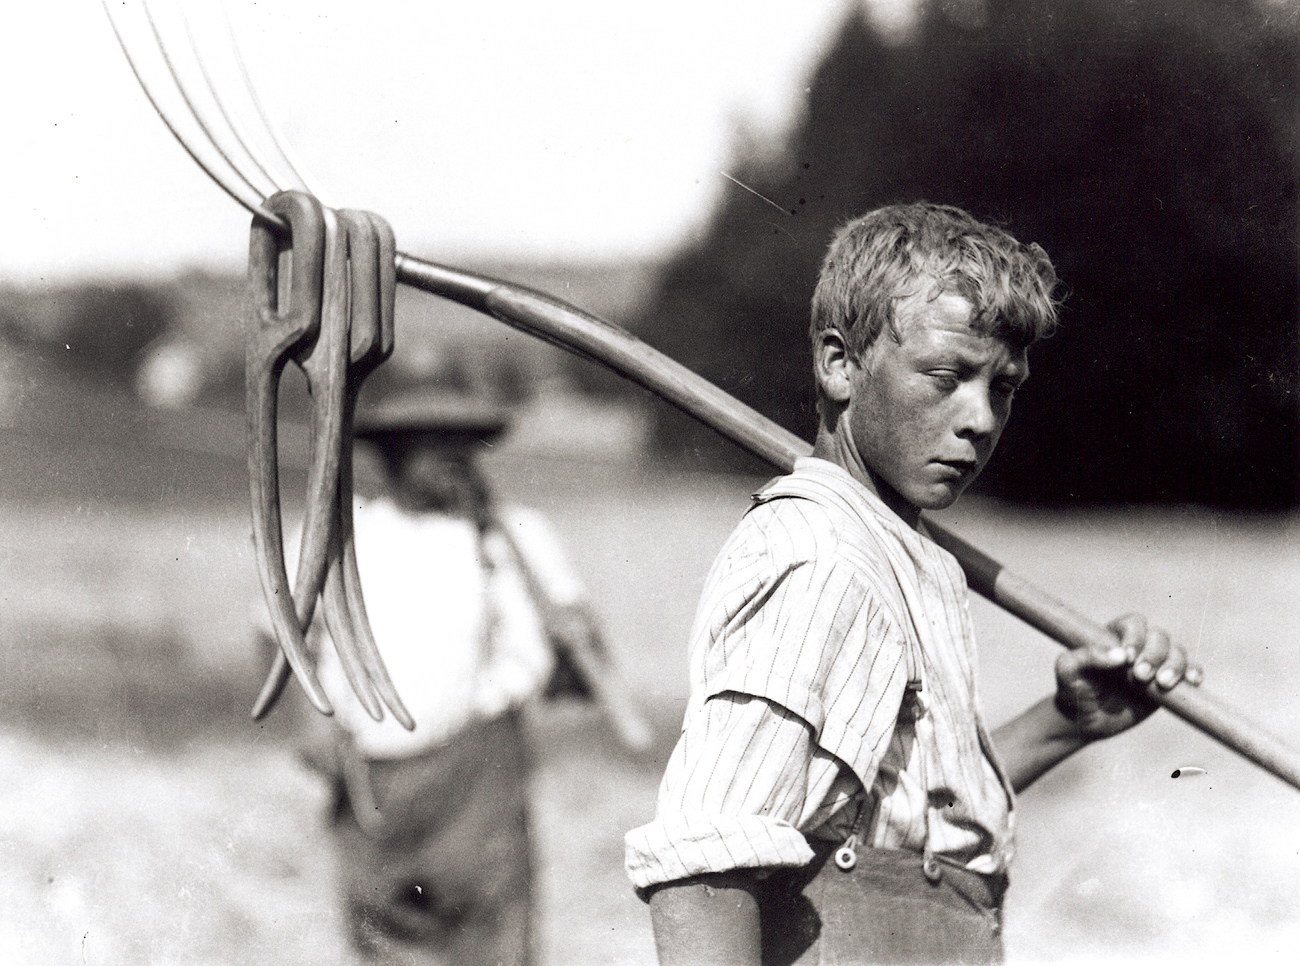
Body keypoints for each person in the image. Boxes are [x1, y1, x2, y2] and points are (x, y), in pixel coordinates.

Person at [623, 202, 1203, 965]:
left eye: (1003, 387)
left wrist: (1068, 720)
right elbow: (706, 855)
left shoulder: (897, 547)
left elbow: (900, 821)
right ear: (839, 365)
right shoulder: (823, 558)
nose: (981, 418)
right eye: (947, 375)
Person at [264, 387, 614, 966]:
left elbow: (576, 661)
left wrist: (577, 633)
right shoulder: (342, 536)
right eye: (433, 444)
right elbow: (279, 631)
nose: (453, 458)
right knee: (382, 931)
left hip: (478, 770)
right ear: (393, 453)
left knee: (494, 937)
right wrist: (311, 724)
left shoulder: (514, 535)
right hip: (370, 777)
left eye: (463, 444)